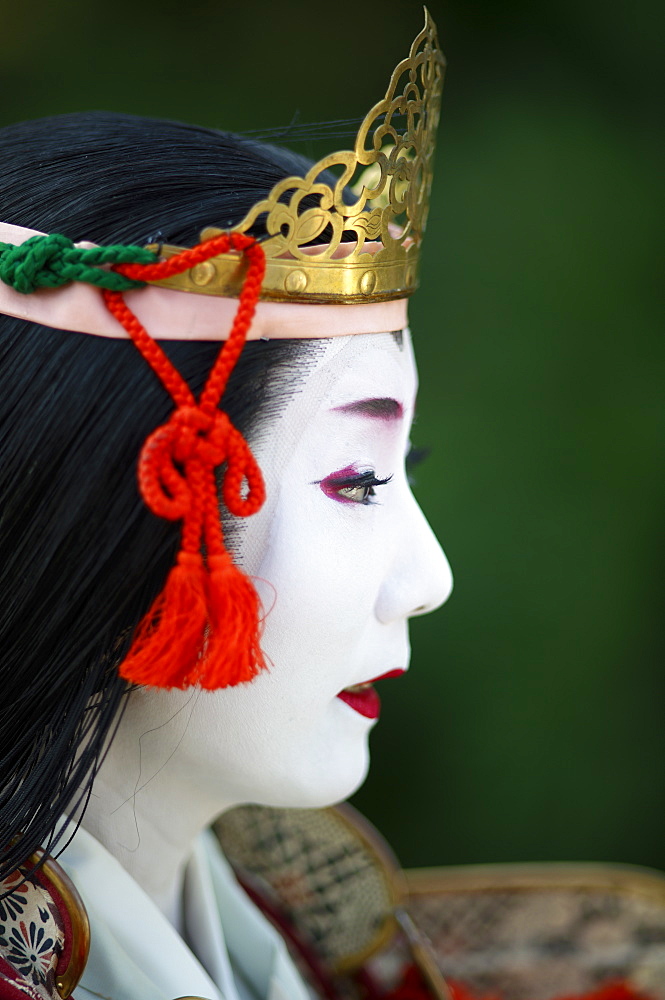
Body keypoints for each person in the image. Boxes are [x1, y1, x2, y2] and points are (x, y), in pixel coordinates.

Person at [0, 13, 454, 1000]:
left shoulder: (327, 951)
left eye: (399, 469)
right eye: (355, 479)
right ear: (121, 490)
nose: (428, 578)